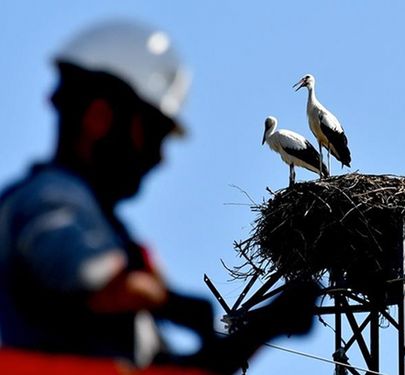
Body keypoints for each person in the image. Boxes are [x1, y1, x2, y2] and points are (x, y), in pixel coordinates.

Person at [0, 19, 319, 374]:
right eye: (151, 134)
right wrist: (173, 302)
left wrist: (266, 326)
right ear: (99, 118)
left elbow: (174, 369)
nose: (159, 157)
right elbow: (98, 283)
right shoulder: (50, 199)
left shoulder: (110, 237)